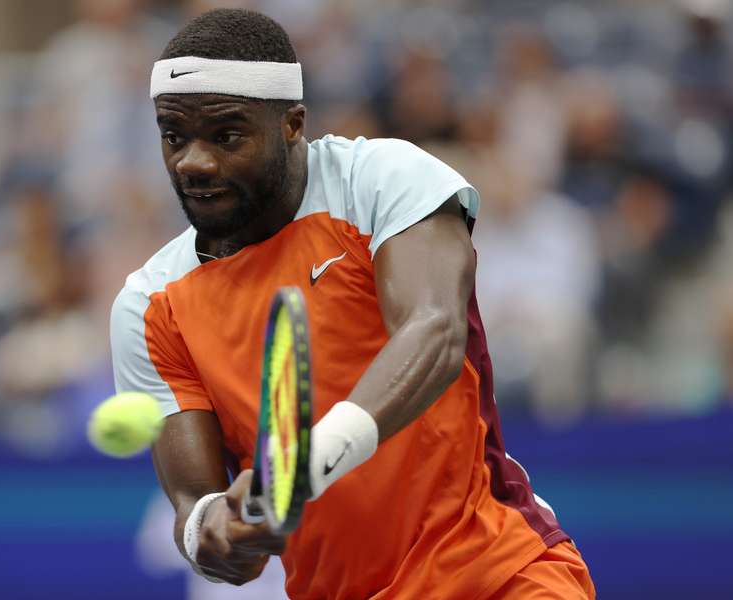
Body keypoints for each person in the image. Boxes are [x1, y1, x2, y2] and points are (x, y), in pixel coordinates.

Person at [110, 8, 596, 599]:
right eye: (173, 136)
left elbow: (432, 332)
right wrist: (215, 533)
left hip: (499, 573)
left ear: (293, 124)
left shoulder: (383, 178)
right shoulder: (148, 305)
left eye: (227, 134)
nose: (193, 161)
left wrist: (309, 459)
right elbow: (195, 503)